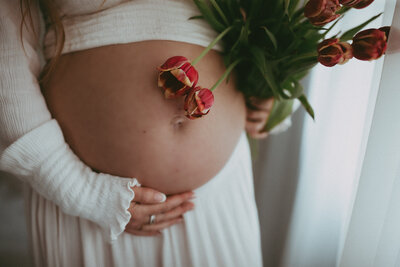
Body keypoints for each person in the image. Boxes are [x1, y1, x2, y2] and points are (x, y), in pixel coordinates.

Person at [0, 0, 278, 266]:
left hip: (217, 195)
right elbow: (6, 54)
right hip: (91, 203)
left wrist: (270, 85)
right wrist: (81, 192)